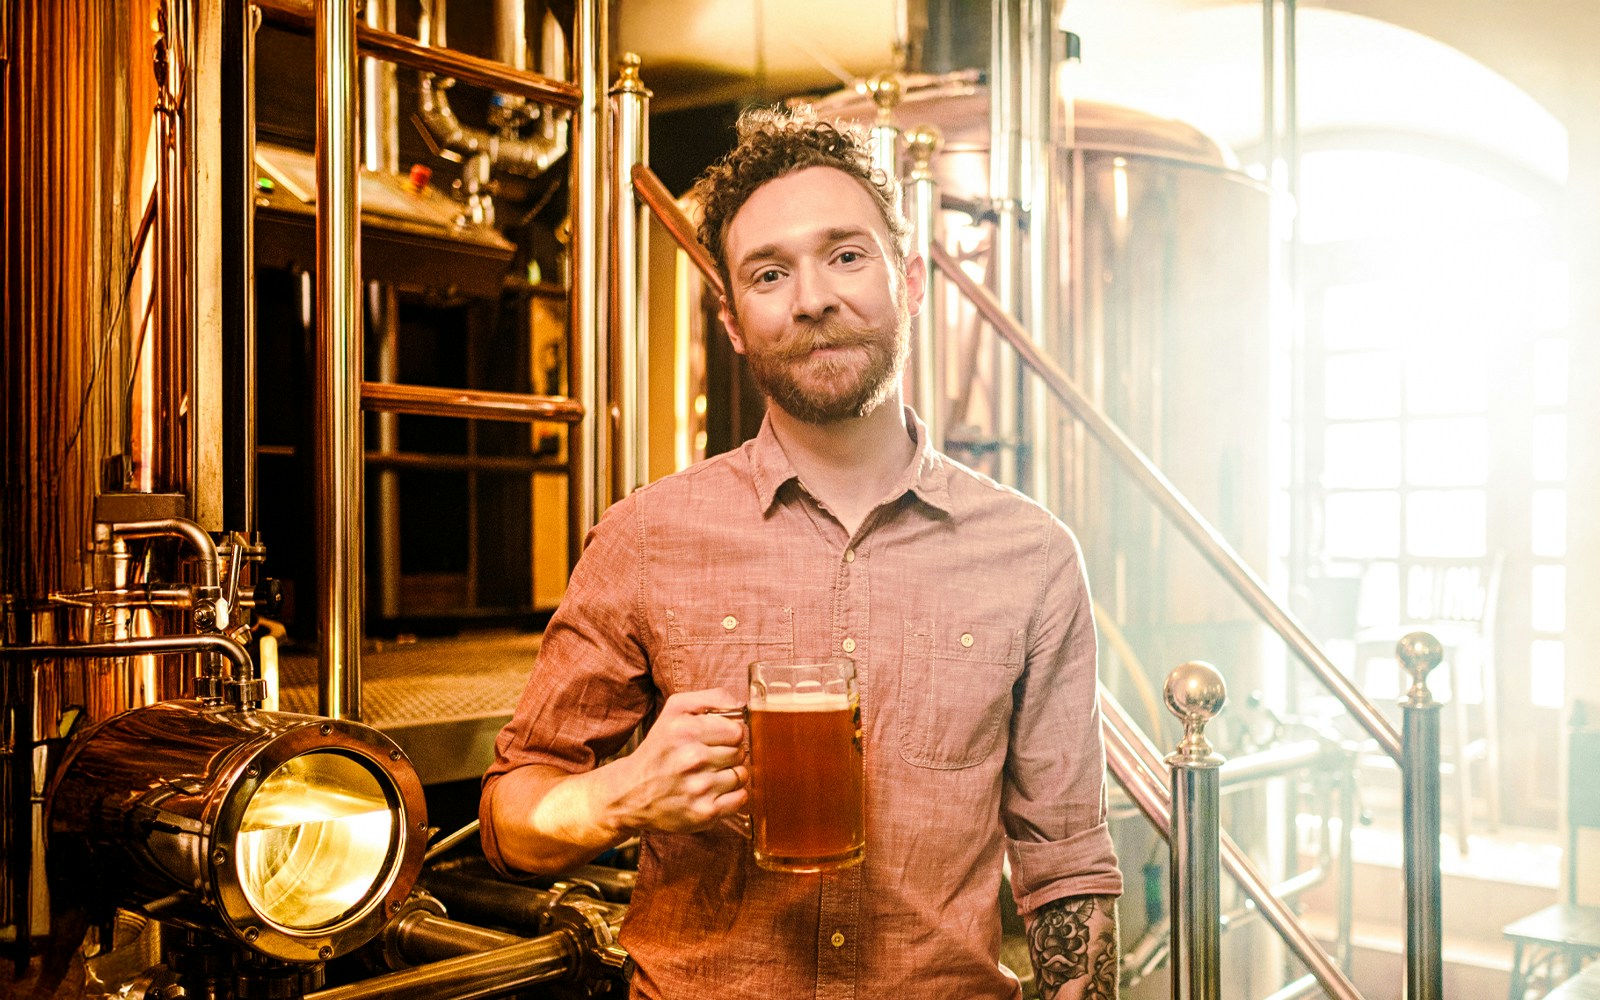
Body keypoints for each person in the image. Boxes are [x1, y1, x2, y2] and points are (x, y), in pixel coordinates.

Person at [480, 106, 1122, 1000]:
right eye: (769, 273)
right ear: (735, 322)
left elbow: (1068, 869)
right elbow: (511, 820)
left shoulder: (1032, 557)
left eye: (846, 256)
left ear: (910, 281)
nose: (812, 297)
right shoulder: (646, 537)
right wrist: (617, 796)